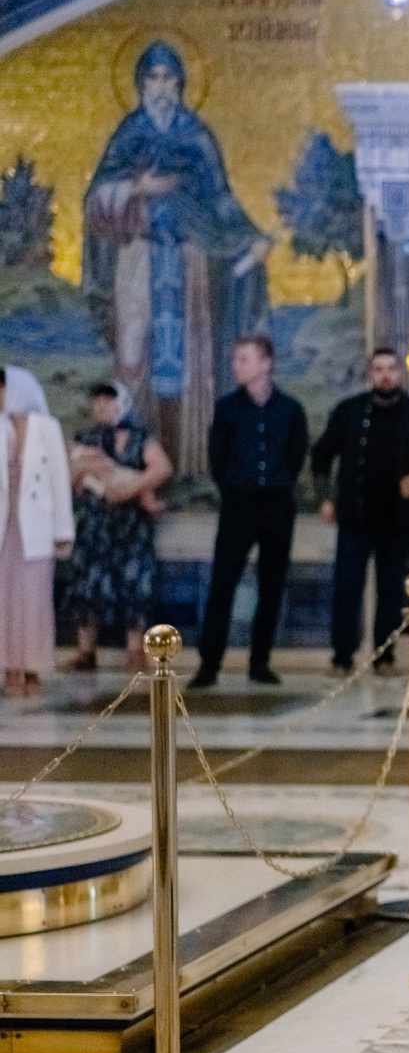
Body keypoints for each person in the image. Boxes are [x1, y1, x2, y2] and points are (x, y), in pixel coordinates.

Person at [82, 41, 271, 478]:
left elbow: (220, 198)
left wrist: (250, 237)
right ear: (140, 84)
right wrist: (137, 189)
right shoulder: (129, 133)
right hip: (138, 258)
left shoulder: (197, 136)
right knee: (135, 352)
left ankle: (190, 465)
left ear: (182, 84)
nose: (162, 87)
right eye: (153, 77)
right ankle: (133, 467)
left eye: (169, 78)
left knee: (192, 356)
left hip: (190, 260)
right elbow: (95, 200)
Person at [192, 335, 308, 688]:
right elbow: (218, 456)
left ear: (266, 363)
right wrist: (234, 486)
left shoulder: (290, 409)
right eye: (235, 359)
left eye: (243, 359)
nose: (236, 366)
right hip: (238, 505)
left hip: (276, 504)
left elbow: (296, 455)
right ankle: (209, 664)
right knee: (223, 583)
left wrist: (276, 482)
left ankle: (260, 662)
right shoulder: (227, 409)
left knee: (272, 585)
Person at [312, 350, 409, 677]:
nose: (385, 375)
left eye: (391, 369)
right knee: (346, 588)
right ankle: (342, 657)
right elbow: (321, 455)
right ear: (370, 374)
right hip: (355, 516)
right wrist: (325, 498)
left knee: (392, 591)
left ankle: (385, 656)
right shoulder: (349, 412)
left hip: (399, 520)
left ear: (400, 373)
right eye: (379, 369)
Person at [63, 382, 172, 673]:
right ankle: (86, 652)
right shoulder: (85, 440)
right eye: (98, 400)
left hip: (131, 526)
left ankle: (135, 652)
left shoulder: (141, 437)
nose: (102, 405)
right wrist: (84, 468)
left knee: (135, 584)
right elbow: (67, 481)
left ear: (123, 403)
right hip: (94, 525)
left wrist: (131, 489)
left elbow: (162, 468)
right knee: (87, 584)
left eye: (109, 400)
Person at [0, 367, 74, 697]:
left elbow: (59, 481)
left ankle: (33, 666)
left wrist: (63, 529)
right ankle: (9, 667)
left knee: (34, 599)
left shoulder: (47, 428)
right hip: (4, 526)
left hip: (36, 527)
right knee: (4, 599)